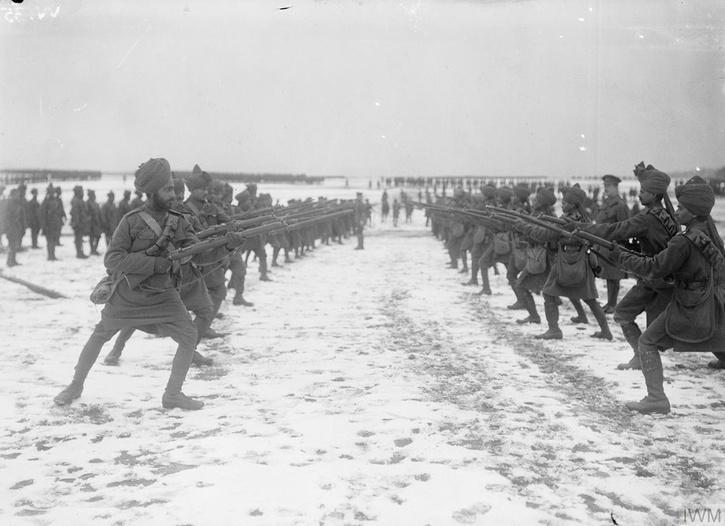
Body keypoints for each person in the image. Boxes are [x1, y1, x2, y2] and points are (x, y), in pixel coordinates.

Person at [53, 158, 244, 410]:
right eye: (168, 190)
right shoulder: (131, 221)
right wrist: (154, 264)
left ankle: (172, 395)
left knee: (188, 336)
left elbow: (200, 258)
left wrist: (228, 246)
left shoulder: (179, 221)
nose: (174, 195)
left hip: (164, 295)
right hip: (128, 296)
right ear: (151, 192)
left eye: (174, 189)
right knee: (100, 335)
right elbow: (113, 259)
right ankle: (75, 385)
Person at [615, 176, 725, 414]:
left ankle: (656, 399)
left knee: (647, 342)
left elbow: (654, 267)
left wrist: (623, 256)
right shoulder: (710, 232)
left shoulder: (683, 241)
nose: (676, 210)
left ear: (694, 213)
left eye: (681, 207)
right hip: (710, 299)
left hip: (689, 304)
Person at [580, 165, 678, 369]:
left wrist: (583, 229)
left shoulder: (648, 217)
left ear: (653, 194)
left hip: (655, 279)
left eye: (643, 191)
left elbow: (617, 229)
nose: (640, 194)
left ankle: (642, 359)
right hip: (660, 277)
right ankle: (641, 357)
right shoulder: (665, 215)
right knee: (637, 319)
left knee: (625, 315)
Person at [517, 186, 612, 340]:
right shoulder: (584, 219)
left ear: (574, 205)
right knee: (591, 299)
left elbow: (544, 235)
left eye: (566, 202)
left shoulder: (565, 221)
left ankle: (554, 330)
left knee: (548, 293)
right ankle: (606, 331)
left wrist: (522, 226)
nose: (562, 204)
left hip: (564, 262)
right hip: (582, 262)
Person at [594, 175, 630, 313]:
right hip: (604, 244)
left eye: (608, 186)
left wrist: (618, 245)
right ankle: (610, 303)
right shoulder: (607, 203)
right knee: (609, 276)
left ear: (616, 187)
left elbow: (624, 227)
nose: (606, 189)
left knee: (614, 276)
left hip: (613, 245)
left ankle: (613, 304)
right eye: (605, 186)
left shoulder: (620, 205)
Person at [39, 184, 64, 261]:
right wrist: (43, 226)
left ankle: (52, 255)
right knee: (50, 241)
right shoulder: (45, 202)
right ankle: (50, 255)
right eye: (51, 192)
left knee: (53, 240)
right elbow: (42, 215)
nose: (53, 193)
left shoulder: (55, 201)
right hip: (48, 225)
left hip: (54, 224)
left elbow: (58, 212)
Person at [4, 189, 24, 267]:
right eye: (16, 194)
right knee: (11, 245)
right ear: (12, 195)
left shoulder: (17, 203)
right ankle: (10, 261)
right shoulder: (9, 203)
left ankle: (13, 260)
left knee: (14, 244)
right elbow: (6, 216)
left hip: (16, 227)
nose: (18, 196)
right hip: (11, 228)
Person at [70, 185, 89, 258]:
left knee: (80, 239)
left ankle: (80, 252)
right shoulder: (76, 201)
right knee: (78, 239)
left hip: (80, 222)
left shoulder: (78, 200)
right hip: (78, 223)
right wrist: (77, 223)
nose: (82, 193)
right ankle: (79, 253)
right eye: (81, 191)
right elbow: (75, 214)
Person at [86, 189, 103, 255]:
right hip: (91, 223)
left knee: (98, 236)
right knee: (91, 237)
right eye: (92, 195)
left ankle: (94, 249)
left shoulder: (96, 203)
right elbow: (86, 213)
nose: (94, 196)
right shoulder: (87, 203)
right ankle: (92, 250)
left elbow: (99, 212)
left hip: (96, 222)